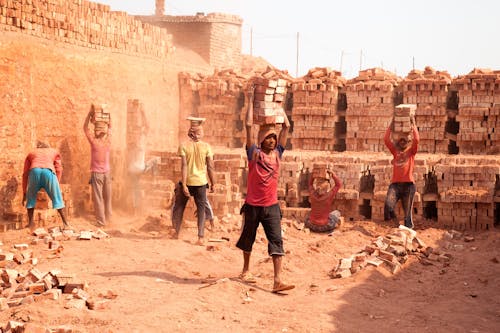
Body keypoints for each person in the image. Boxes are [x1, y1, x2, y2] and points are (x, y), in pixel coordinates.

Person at [236, 86, 295, 293]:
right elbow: (249, 125)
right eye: (268, 137)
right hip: (252, 205)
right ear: (261, 140)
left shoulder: (278, 154)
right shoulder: (254, 154)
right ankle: (245, 270)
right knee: (247, 238)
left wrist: (280, 108)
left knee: (276, 241)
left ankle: (277, 280)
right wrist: (251, 99)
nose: (272, 140)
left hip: (271, 206)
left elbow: (287, 128)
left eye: (274, 137)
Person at [171, 118, 215, 245]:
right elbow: (210, 167)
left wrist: (184, 184)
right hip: (201, 182)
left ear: (190, 134)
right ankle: (201, 237)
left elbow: (184, 166)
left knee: (179, 207)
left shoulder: (184, 146)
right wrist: (213, 183)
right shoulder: (207, 147)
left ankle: (176, 232)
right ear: (199, 134)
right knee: (201, 209)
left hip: (187, 181)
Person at [22, 141, 70, 230]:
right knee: (57, 199)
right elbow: (59, 169)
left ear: (38, 148)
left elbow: (25, 174)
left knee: (31, 199)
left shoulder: (31, 153)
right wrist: (56, 183)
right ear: (48, 147)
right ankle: (66, 224)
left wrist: (25, 192)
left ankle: (31, 224)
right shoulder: (54, 152)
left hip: (34, 171)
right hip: (48, 172)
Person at [383, 116, 419, 229]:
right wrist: (391, 125)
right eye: (400, 140)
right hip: (395, 186)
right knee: (389, 206)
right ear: (398, 143)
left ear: (408, 143)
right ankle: (397, 226)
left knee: (407, 215)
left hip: (409, 186)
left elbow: (417, 140)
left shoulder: (411, 152)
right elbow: (386, 139)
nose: (402, 142)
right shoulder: (395, 152)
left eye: (405, 141)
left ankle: (408, 233)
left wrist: (413, 125)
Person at [127, 106, 160, 215]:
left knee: (135, 189)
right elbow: (148, 126)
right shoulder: (141, 140)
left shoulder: (130, 143)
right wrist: (143, 111)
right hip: (140, 169)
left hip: (131, 170)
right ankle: (154, 179)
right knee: (155, 160)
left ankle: (135, 210)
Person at [84, 106, 112, 227]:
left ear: (96, 132)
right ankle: (109, 218)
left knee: (98, 198)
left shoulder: (94, 142)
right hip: (107, 173)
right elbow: (111, 127)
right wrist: (108, 117)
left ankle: (101, 221)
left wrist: (89, 115)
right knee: (108, 197)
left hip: (97, 174)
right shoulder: (108, 142)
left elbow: (85, 128)